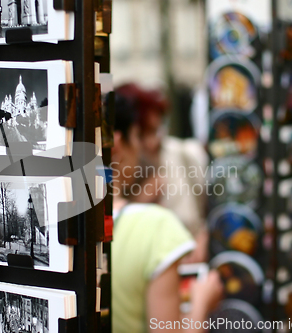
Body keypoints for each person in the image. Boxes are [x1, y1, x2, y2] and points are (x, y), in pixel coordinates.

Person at [111, 89, 224, 333]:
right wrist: (202, 303)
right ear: (119, 143)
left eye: (156, 130)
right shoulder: (157, 225)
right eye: (140, 134)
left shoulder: (68, 226)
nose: (148, 143)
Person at [114, 83, 210, 263]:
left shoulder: (184, 155)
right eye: (142, 134)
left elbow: (205, 214)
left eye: (157, 130)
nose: (153, 142)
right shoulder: (117, 176)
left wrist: (203, 238)